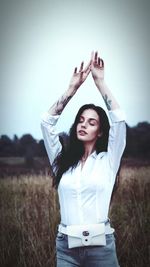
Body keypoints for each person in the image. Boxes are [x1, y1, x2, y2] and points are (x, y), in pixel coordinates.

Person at [41, 51, 126, 267]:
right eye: (80, 120)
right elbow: (46, 123)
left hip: (102, 250)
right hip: (66, 249)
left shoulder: (108, 160)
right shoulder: (61, 161)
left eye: (91, 122)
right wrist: (71, 90)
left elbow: (119, 121)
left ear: (100, 132)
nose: (83, 125)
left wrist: (100, 82)